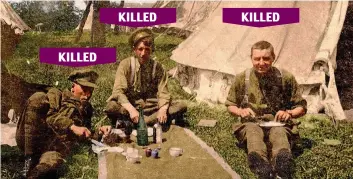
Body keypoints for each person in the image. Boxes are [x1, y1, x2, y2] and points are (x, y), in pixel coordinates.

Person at [225, 41, 307, 179]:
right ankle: (261, 166)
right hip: (252, 122)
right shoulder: (242, 78)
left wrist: (289, 113)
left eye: (266, 58)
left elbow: (302, 107)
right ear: (251, 58)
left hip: (277, 123)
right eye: (257, 59)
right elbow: (230, 104)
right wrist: (241, 112)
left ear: (273, 58)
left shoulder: (285, 78)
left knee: (279, 135)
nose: (261, 63)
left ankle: (282, 164)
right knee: (253, 135)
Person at [15, 70, 111, 178]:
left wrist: (99, 131)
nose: (88, 95)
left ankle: (31, 173)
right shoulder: (56, 94)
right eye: (85, 89)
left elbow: (84, 136)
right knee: (38, 98)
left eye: (91, 90)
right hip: (31, 138)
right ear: (73, 86)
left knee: (49, 166)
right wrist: (72, 126)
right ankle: (29, 160)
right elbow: (49, 117)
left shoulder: (87, 109)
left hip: (53, 148)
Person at [105, 28, 187, 130]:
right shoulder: (126, 64)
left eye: (147, 49)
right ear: (134, 49)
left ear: (151, 50)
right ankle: (150, 122)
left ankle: (142, 122)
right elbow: (118, 92)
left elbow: (164, 93)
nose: (143, 53)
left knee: (181, 105)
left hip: (152, 107)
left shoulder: (158, 67)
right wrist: (131, 111)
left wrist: (162, 109)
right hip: (132, 106)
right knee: (111, 106)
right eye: (140, 49)